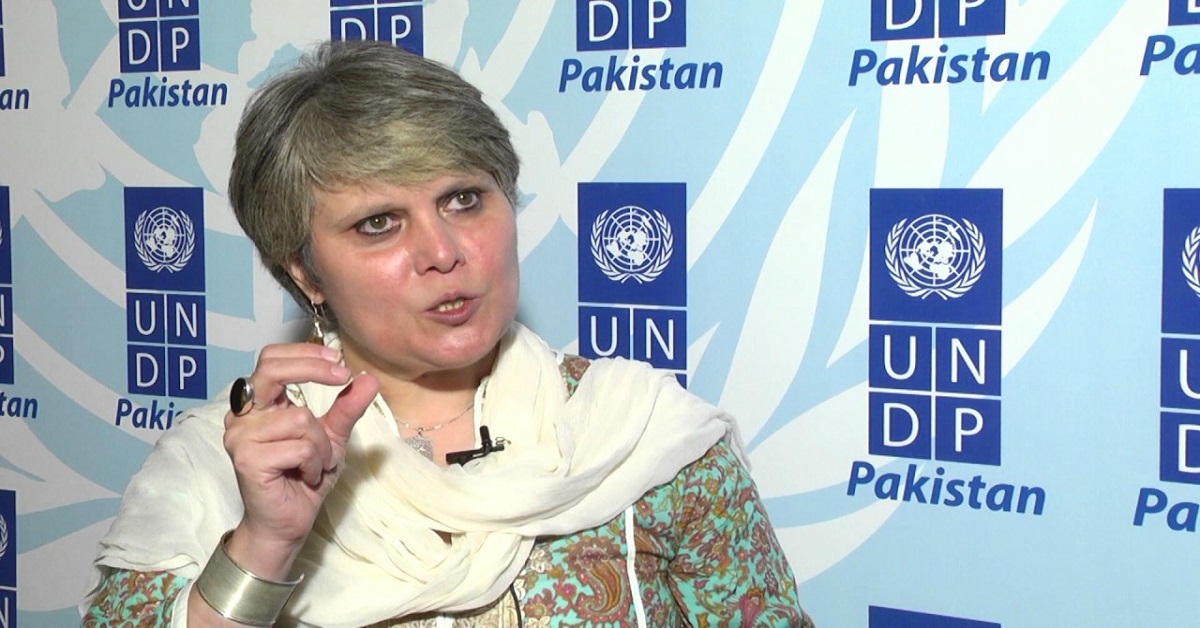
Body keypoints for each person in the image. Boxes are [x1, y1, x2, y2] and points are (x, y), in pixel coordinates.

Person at [81, 39, 813, 627]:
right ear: (305, 273)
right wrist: (264, 545)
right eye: (379, 223)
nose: (442, 251)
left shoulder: (642, 437)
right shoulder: (213, 475)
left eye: (464, 199)